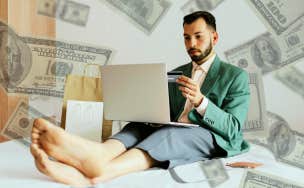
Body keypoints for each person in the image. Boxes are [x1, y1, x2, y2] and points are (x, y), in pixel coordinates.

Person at [30, 11, 251, 186]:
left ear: (214, 37)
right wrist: (148, 111)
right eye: (186, 37)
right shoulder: (178, 72)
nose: (191, 43)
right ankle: (99, 155)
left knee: (170, 135)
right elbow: (165, 110)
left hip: (210, 135)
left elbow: (233, 129)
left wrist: (201, 102)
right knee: (139, 125)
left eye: (198, 36)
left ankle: (104, 170)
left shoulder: (235, 76)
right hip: (175, 127)